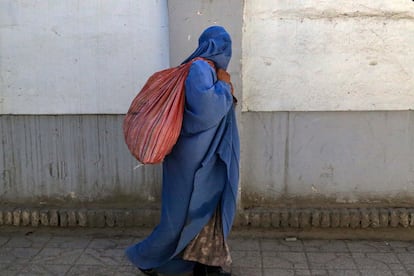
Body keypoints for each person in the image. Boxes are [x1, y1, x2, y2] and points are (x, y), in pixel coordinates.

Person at [125, 26, 240, 276]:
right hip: (194, 160)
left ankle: (205, 263)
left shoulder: (207, 69)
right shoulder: (200, 68)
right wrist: (224, 86)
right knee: (181, 215)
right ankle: (148, 258)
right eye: (224, 46)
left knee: (209, 209)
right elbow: (206, 111)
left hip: (208, 157)